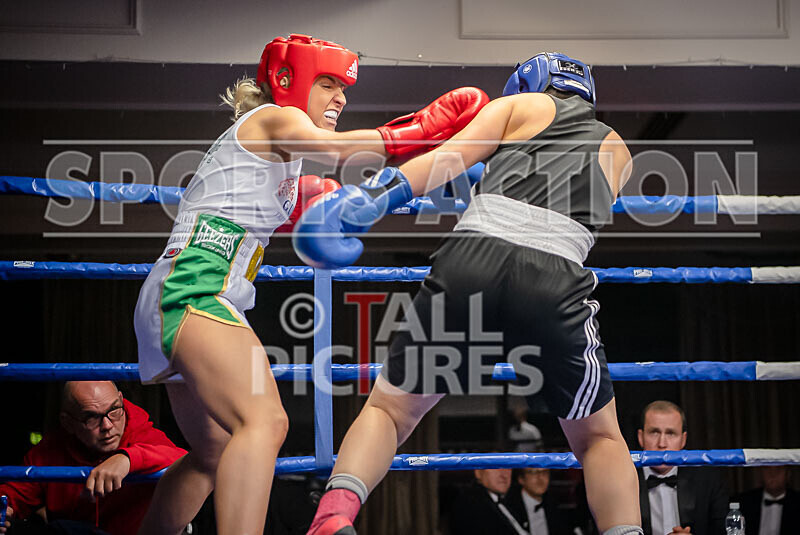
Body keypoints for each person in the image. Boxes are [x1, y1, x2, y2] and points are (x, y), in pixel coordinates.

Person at [132, 33, 488, 535]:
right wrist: (419, 130)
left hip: (181, 294)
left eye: (344, 88)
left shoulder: (275, 151)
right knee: (266, 422)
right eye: (327, 84)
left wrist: (318, 200)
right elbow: (337, 151)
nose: (340, 98)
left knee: (212, 454)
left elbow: (272, 194)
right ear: (286, 81)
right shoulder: (274, 119)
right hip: (194, 289)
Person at [296, 52, 639, 535]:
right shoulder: (619, 153)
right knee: (600, 438)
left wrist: (366, 201)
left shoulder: (517, 108)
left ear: (530, 84)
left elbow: (441, 162)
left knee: (390, 411)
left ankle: (333, 516)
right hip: (555, 279)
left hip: (472, 258)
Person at [0, 381, 186, 535]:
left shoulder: (140, 432)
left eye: (113, 410)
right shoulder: (50, 450)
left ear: (121, 400)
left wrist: (128, 459)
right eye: (91, 418)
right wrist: (4, 506)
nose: (107, 425)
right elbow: (14, 493)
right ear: (68, 422)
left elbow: (187, 460)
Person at [636, 401, 728, 535]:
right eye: (654, 432)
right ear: (641, 437)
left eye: (671, 433)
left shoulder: (707, 479)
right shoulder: (622, 480)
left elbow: (724, 531)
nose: (662, 444)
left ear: (683, 440)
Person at [505, 468, 580, 535]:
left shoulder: (556, 507)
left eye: (544, 472)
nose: (540, 477)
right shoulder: (508, 508)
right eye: (533, 472)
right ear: (521, 479)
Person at [449, 468, 524, 535]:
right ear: (478, 472)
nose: (503, 474)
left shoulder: (513, 501)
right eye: (495, 467)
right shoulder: (469, 506)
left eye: (508, 467)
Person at [735, 465, 798, 535]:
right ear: (760, 473)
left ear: (788, 474)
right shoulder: (743, 502)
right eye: (767, 469)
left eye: (779, 469)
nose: (773, 474)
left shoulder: (797, 502)